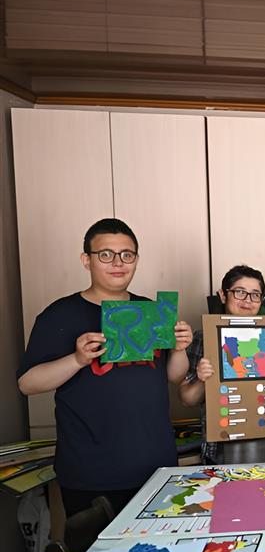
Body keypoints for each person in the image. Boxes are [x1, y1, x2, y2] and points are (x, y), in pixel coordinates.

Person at [17, 219, 193, 517]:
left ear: (136, 260)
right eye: (106, 254)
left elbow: (174, 376)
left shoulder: (150, 311)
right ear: (87, 260)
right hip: (90, 473)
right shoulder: (59, 314)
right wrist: (77, 360)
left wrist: (180, 349)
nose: (118, 263)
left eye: (127, 255)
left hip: (156, 467)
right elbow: (27, 384)